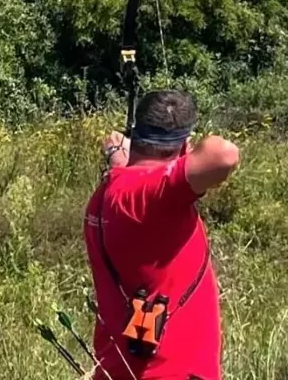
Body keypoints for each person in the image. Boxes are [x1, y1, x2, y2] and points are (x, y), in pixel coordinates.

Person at [83, 90, 240, 380]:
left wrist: (124, 154)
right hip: (169, 372)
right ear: (183, 147)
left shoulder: (112, 191)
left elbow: (122, 152)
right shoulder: (155, 196)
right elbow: (224, 154)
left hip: (118, 369)